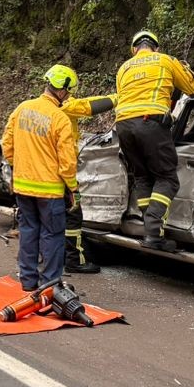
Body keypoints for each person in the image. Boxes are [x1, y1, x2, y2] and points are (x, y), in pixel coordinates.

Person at [114, 30, 194, 251]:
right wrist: (185, 70)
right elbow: (193, 90)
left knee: (143, 177)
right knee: (167, 179)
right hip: (150, 123)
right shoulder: (165, 60)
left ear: (134, 50)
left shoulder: (123, 68)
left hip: (123, 126)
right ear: (156, 47)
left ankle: (149, 228)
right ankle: (154, 234)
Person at [1, 65, 81, 292]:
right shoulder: (60, 118)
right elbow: (67, 161)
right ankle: (50, 284)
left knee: (28, 231)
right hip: (50, 191)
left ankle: (27, 281)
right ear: (63, 90)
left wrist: (19, 166)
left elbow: (7, 145)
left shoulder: (22, 109)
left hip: (23, 188)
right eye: (70, 91)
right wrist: (72, 188)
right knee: (53, 236)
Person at [60, 88, 117, 274]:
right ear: (63, 89)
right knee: (73, 216)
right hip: (60, 176)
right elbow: (87, 106)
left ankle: (53, 258)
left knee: (49, 220)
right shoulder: (62, 107)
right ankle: (74, 261)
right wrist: (118, 98)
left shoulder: (37, 110)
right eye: (69, 91)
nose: (71, 96)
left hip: (40, 176)